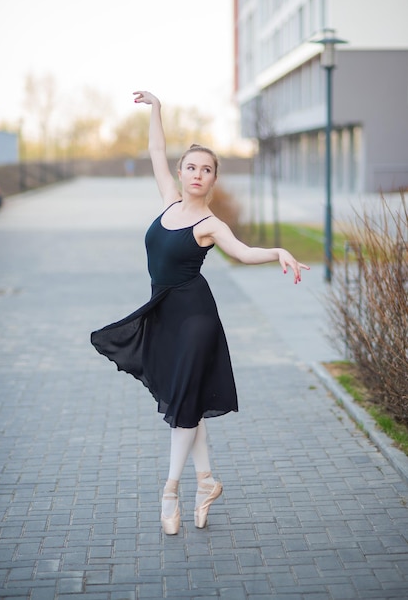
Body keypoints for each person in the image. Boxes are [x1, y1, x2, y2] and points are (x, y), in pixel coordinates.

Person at [91, 91, 310, 535]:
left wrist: (278, 251)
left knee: (183, 409)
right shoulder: (169, 202)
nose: (197, 173)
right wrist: (157, 110)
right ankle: (207, 481)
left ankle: (170, 491)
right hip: (165, 315)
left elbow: (244, 253)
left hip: (196, 319)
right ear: (181, 172)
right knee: (187, 402)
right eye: (191, 166)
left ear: (212, 180)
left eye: (206, 169)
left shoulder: (209, 224)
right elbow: (155, 149)